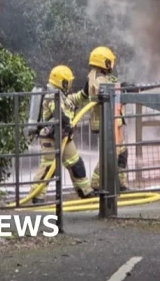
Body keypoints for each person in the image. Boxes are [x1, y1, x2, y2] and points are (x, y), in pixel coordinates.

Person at [30, 65, 96, 204]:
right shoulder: (51, 96)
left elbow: (77, 98)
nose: (70, 85)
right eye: (68, 82)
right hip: (50, 139)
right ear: (62, 82)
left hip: (65, 138)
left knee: (76, 164)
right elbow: (59, 114)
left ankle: (85, 191)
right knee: (48, 168)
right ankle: (37, 196)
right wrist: (68, 124)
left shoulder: (62, 97)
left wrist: (87, 87)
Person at [85, 46, 130, 192]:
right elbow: (105, 90)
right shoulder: (97, 78)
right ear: (104, 62)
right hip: (106, 122)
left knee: (120, 153)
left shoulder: (98, 75)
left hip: (111, 120)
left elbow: (111, 89)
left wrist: (124, 89)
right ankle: (97, 184)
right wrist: (122, 87)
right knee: (109, 154)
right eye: (109, 61)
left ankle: (121, 184)